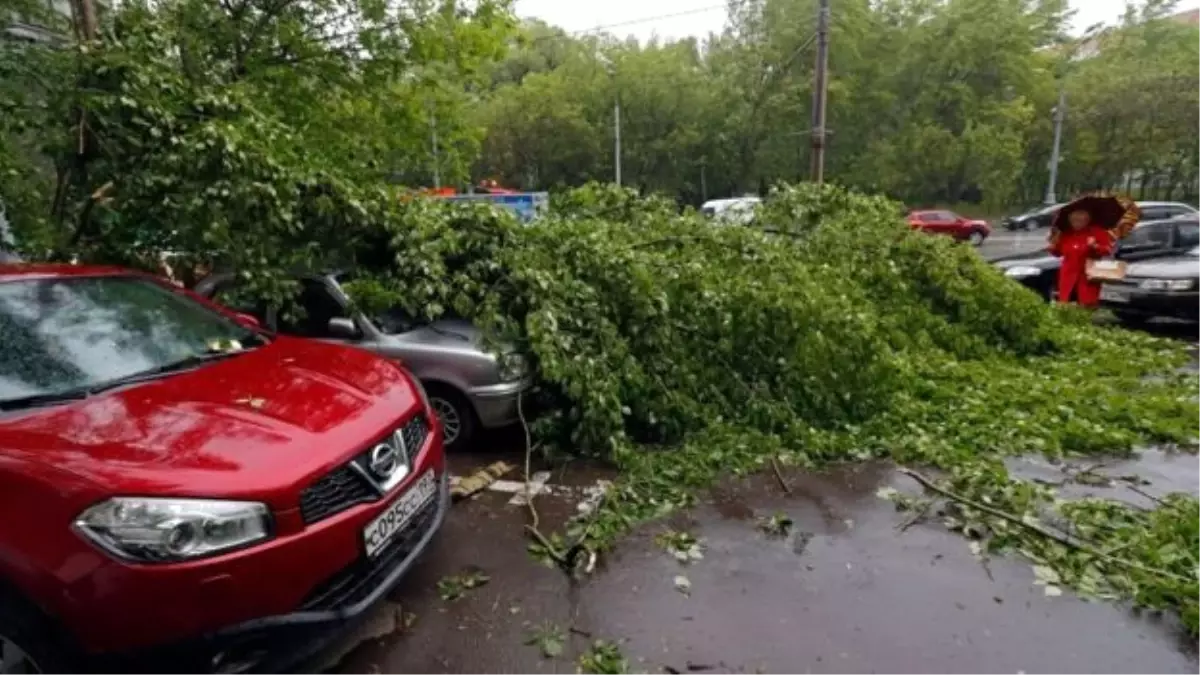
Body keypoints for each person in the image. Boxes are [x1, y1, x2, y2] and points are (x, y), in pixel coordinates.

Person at [1047, 208, 1114, 307]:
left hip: (1087, 279)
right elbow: (1058, 253)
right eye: (1073, 216)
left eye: (1080, 215)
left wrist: (1095, 245)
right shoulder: (1065, 234)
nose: (1077, 218)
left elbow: (1107, 251)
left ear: (1088, 217)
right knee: (1065, 308)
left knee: (1086, 307)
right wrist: (1052, 244)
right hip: (1068, 278)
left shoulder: (1097, 232)